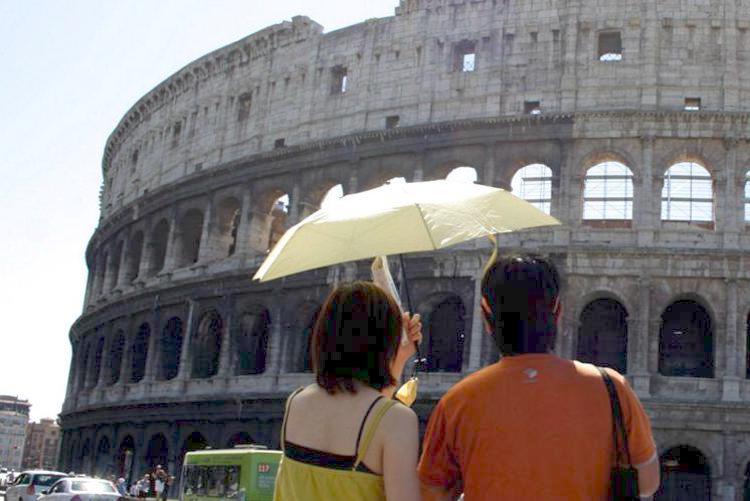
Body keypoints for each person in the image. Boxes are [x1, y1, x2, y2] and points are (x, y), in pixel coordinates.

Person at [418, 254, 660, 500]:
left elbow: (431, 492)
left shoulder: (458, 401)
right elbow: (647, 482)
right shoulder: (612, 389)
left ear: (486, 315)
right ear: (557, 311)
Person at [273, 281, 422, 501]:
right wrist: (399, 358)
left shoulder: (296, 402)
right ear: (385, 339)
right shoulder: (397, 420)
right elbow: (373, 416)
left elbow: (369, 414)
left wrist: (399, 359)